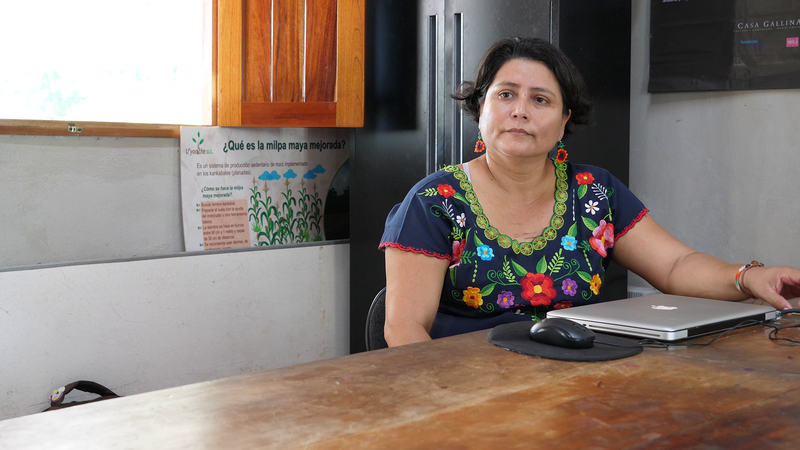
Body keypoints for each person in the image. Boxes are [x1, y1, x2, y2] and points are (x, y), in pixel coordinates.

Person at [378, 37, 800, 347]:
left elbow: (675, 266)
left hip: (578, 380)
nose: (520, 110)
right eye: (505, 95)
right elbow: (404, 329)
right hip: (466, 389)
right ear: (481, 110)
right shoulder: (435, 202)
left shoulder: (594, 192)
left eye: (540, 100)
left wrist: (748, 277)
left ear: (564, 122)